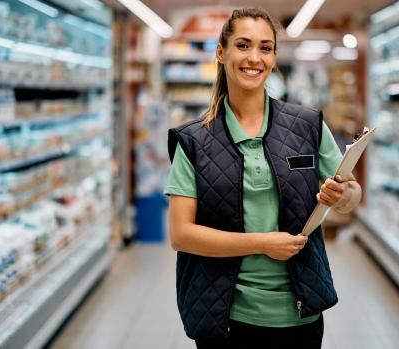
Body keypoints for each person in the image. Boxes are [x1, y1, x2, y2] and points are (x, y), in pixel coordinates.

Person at [164, 7, 362, 349]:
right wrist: (263, 242)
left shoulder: (306, 125)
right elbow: (182, 235)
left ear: (273, 58)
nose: (254, 57)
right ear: (221, 52)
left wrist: (342, 196)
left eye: (265, 48)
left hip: (301, 313)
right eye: (243, 45)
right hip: (226, 316)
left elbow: (351, 194)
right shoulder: (194, 140)